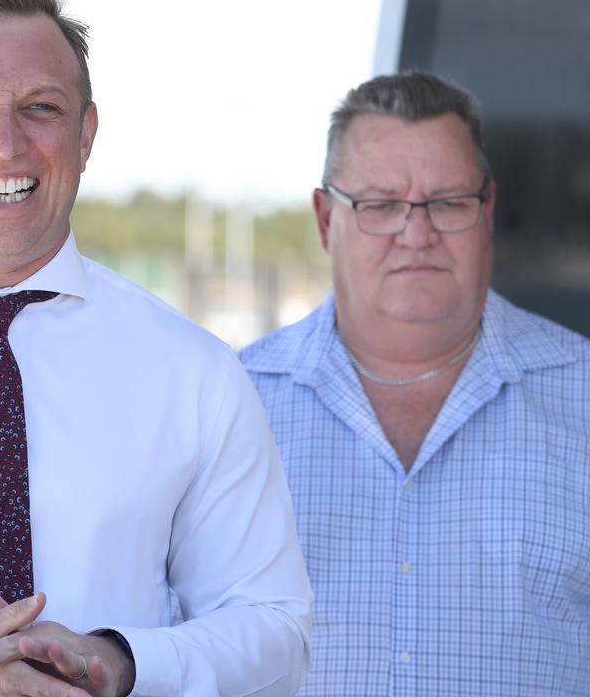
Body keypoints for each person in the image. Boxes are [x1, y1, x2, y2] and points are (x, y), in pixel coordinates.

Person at [0, 0, 311, 697]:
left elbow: (275, 631)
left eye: (40, 109)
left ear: (85, 135)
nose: (4, 141)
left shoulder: (193, 371)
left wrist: (123, 664)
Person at [240, 71, 590, 696]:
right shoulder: (230, 403)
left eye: (449, 202)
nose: (417, 232)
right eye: (380, 205)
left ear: (487, 212)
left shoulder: (583, 394)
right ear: (326, 220)